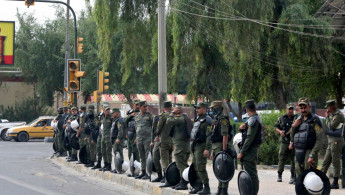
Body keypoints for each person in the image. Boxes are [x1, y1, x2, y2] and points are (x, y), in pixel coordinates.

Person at [289, 98, 323, 178]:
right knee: (299, 177)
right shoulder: (297, 119)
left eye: (305, 107)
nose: (303, 110)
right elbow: (292, 136)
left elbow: (320, 139)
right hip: (298, 151)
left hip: (309, 151)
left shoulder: (315, 120)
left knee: (309, 178)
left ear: (309, 107)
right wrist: (294, 126)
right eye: (301, 108)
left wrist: (312, 155)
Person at [237, 99, 263, 195]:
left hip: (250, 151)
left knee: (251, 175)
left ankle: (253, 193)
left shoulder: (253, 119)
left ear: (247, 109)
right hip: (250, 150)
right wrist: (241, 128)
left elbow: (249, 138)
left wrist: (242, 152)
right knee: (250, 173)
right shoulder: (253, 119)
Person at [209, 101, 233, 195]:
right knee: (218, 169)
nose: (212, 110)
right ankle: (220, 189)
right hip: (215, 147)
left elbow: (225, 136)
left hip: (221, 146)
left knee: (224, 169)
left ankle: (224, 190)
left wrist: (224, 150)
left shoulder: (223, 119)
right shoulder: (217, 119)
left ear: (218, 109)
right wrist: (212, 151)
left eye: (213, 108)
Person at [165, 106, 191, 190]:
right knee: (183, 164)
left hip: (180, 146)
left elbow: (168, 121)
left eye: (175, 110)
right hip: (183, 145)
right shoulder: (183, 118)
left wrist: (172, 112)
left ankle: (184, 183)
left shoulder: (181, 119)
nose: (173, 111)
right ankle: (182, 182)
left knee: (180, 165)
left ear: (178, 111)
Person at [321, 100, 345, 189]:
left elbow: (331, 126)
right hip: (331, 141)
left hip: (337, 141)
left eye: (328, 107)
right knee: (325, 161)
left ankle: (335, 183)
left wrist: (327, 117)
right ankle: (321, 179)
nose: (327, 109)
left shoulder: (339, 115)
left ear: (331, 107)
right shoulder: (333, 115)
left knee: (335, 162)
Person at [189, 102, 212, 194]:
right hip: (195, 145)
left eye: (198, 108)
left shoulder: (208, 120)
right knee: (195, 166)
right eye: (196, 108)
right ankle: (198, 186)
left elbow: (209, 136)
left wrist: (207, 148)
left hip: (202, 146)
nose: (196, 110)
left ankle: (207, 187)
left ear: (203, 108)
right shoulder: (198, 119)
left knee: (200, 166)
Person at [274, 103, 295, 184]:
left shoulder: (295, 118)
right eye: (289, 109)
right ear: (286, 109)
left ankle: (292, 175)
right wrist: (280, 132)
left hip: (292, 141)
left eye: (292, 109)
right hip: (284, 141)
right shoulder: (281, 118)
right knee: (281, 158)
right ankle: (279, 175)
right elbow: (275, 127)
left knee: (293, 159)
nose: (291, 110)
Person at [134, 101, 153, 180]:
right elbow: (136, 127)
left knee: (147, 156)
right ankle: (143, 172)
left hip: (147, 139)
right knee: (141, 156)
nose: (146, 108)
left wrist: (152, 139)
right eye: (144, 107)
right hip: (139, 138)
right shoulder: (137, 116)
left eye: (146, 107)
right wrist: (136, 137)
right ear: (140, 107)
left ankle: (149, 173)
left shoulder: (149, 116)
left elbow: (153, 127)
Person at [157, 101, 173, 186]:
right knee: (170, 160)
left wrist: (157, 134)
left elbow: (159, 128)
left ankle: (167, 178)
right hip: (172, 141)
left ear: (164, 107)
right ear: (171, 107)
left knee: (164, 160)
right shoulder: (174, 116)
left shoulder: (163, 116)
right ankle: (172, 176)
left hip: (164, 141)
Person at [124, 99, 141, 177]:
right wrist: (130, 116)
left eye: (138, 105)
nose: (137, 106)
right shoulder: (130, 113)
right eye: (136, 104)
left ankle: (137, 172)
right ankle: (132, 171)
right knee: (130, 154)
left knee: (136, 155)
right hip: (129, 136)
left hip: (136, 136)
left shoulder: (141, 114)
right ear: (133, 104)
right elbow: (124, 122)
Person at [110, 108, 125, 173]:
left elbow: (120, 130)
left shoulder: (120, 120)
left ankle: (120, 168)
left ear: (117, 113)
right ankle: (117, 168)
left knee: (119, 153)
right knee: (116, 153)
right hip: (114, 139)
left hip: (117, 139)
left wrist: (118, 138)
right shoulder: (115, 120)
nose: (112, 114)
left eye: (113, 113)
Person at [99, 106, 113, 171]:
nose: (108, 111)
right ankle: (105, 164)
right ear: (103, 110)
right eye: (106, 110)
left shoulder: (111, 117)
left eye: (109, 109)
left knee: (108, 151)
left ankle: (109, 165)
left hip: (108, 137)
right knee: (103, 151)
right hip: (103, 136)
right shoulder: (102, 117)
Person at [150, 114, 163, 182]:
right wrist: (152, 141)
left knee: (165, 160)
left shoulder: (169, 117)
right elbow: (153, 130)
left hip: (166, 140)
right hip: (157, 140)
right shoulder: (157, 118)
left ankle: (167, 176)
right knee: (155, 158)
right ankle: (160, 175)